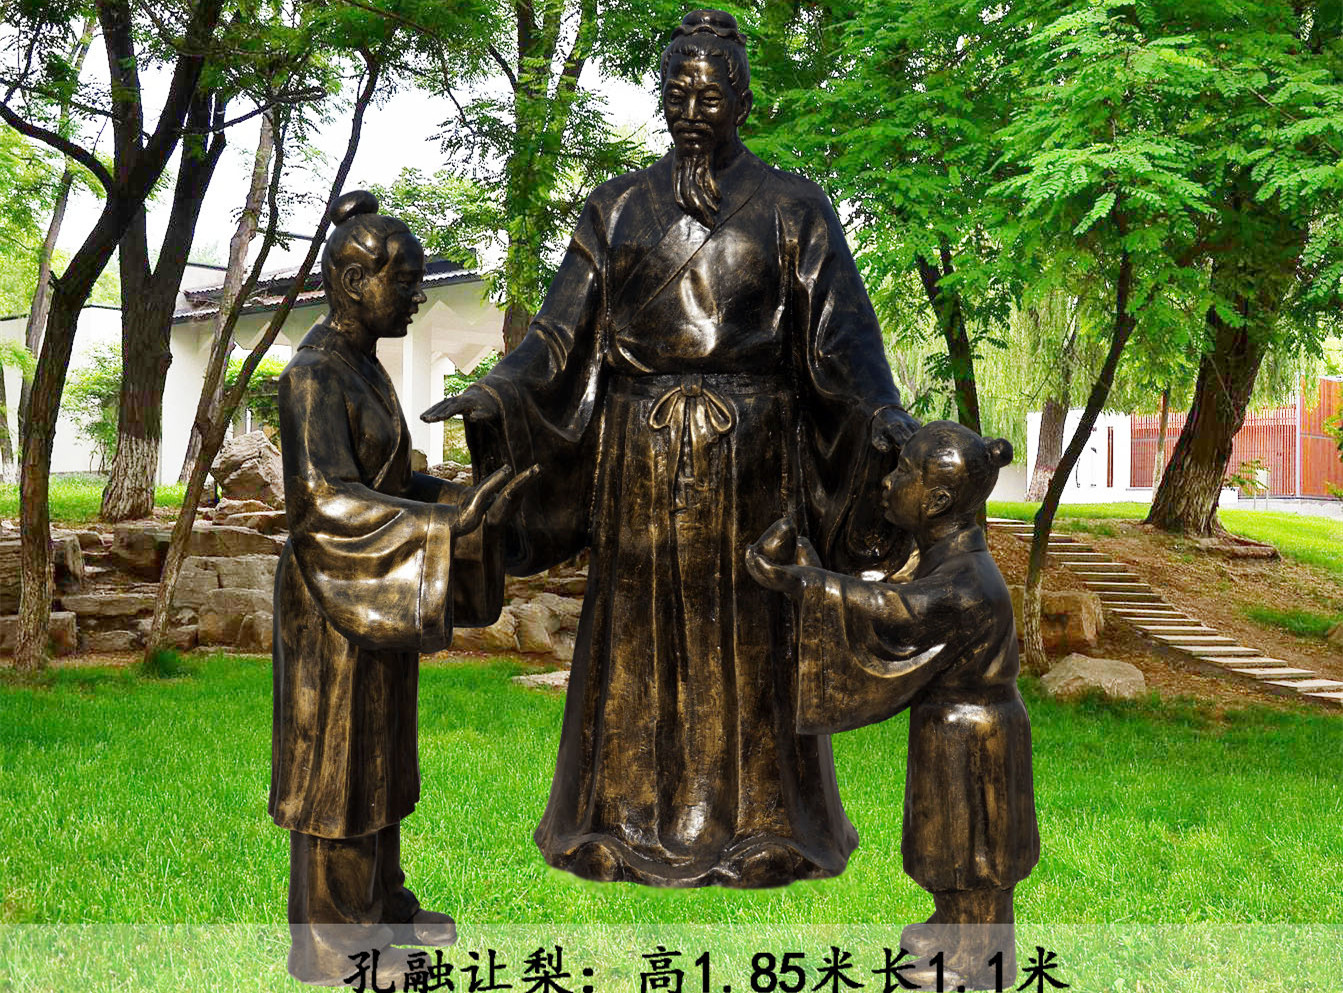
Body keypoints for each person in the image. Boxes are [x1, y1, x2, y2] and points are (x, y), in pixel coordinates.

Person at [422, 10, 918, 888]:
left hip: (752, 454)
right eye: (676, 93)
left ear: (743, 101)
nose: (692, 111)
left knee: (754, 626)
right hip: (640, 452)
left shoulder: (794, 206)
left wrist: (882, 418)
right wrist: (498, 391)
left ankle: (768, 822)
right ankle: (613, 819)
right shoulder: (616, 207)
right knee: (635, 632)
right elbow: (558, 336)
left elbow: (841, 344)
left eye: (710, 94)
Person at [271, 190, 530, 985]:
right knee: (336, 770)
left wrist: (461, 499)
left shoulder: (360, 366)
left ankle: (380, 903)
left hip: (373, 583)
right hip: (333, 592)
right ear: (354, 283)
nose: (417, 294)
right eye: (406, 280)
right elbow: (324, 501)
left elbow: (390, 481)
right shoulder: (312, 374)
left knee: (378, 757)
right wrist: (445, 525)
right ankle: (335, 942)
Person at [745, 421, 1040, 990]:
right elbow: (897, 602)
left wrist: (805, 583)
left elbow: (900, 610)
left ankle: (979, 958)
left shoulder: (967, 582)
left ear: (937, 501)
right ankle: (955, 928)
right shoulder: (948, 561)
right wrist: (814, 570)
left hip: (976, 738)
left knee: (975, 854)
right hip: (953, 728)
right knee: (949, 846)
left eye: (903, 472)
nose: (888, 481)